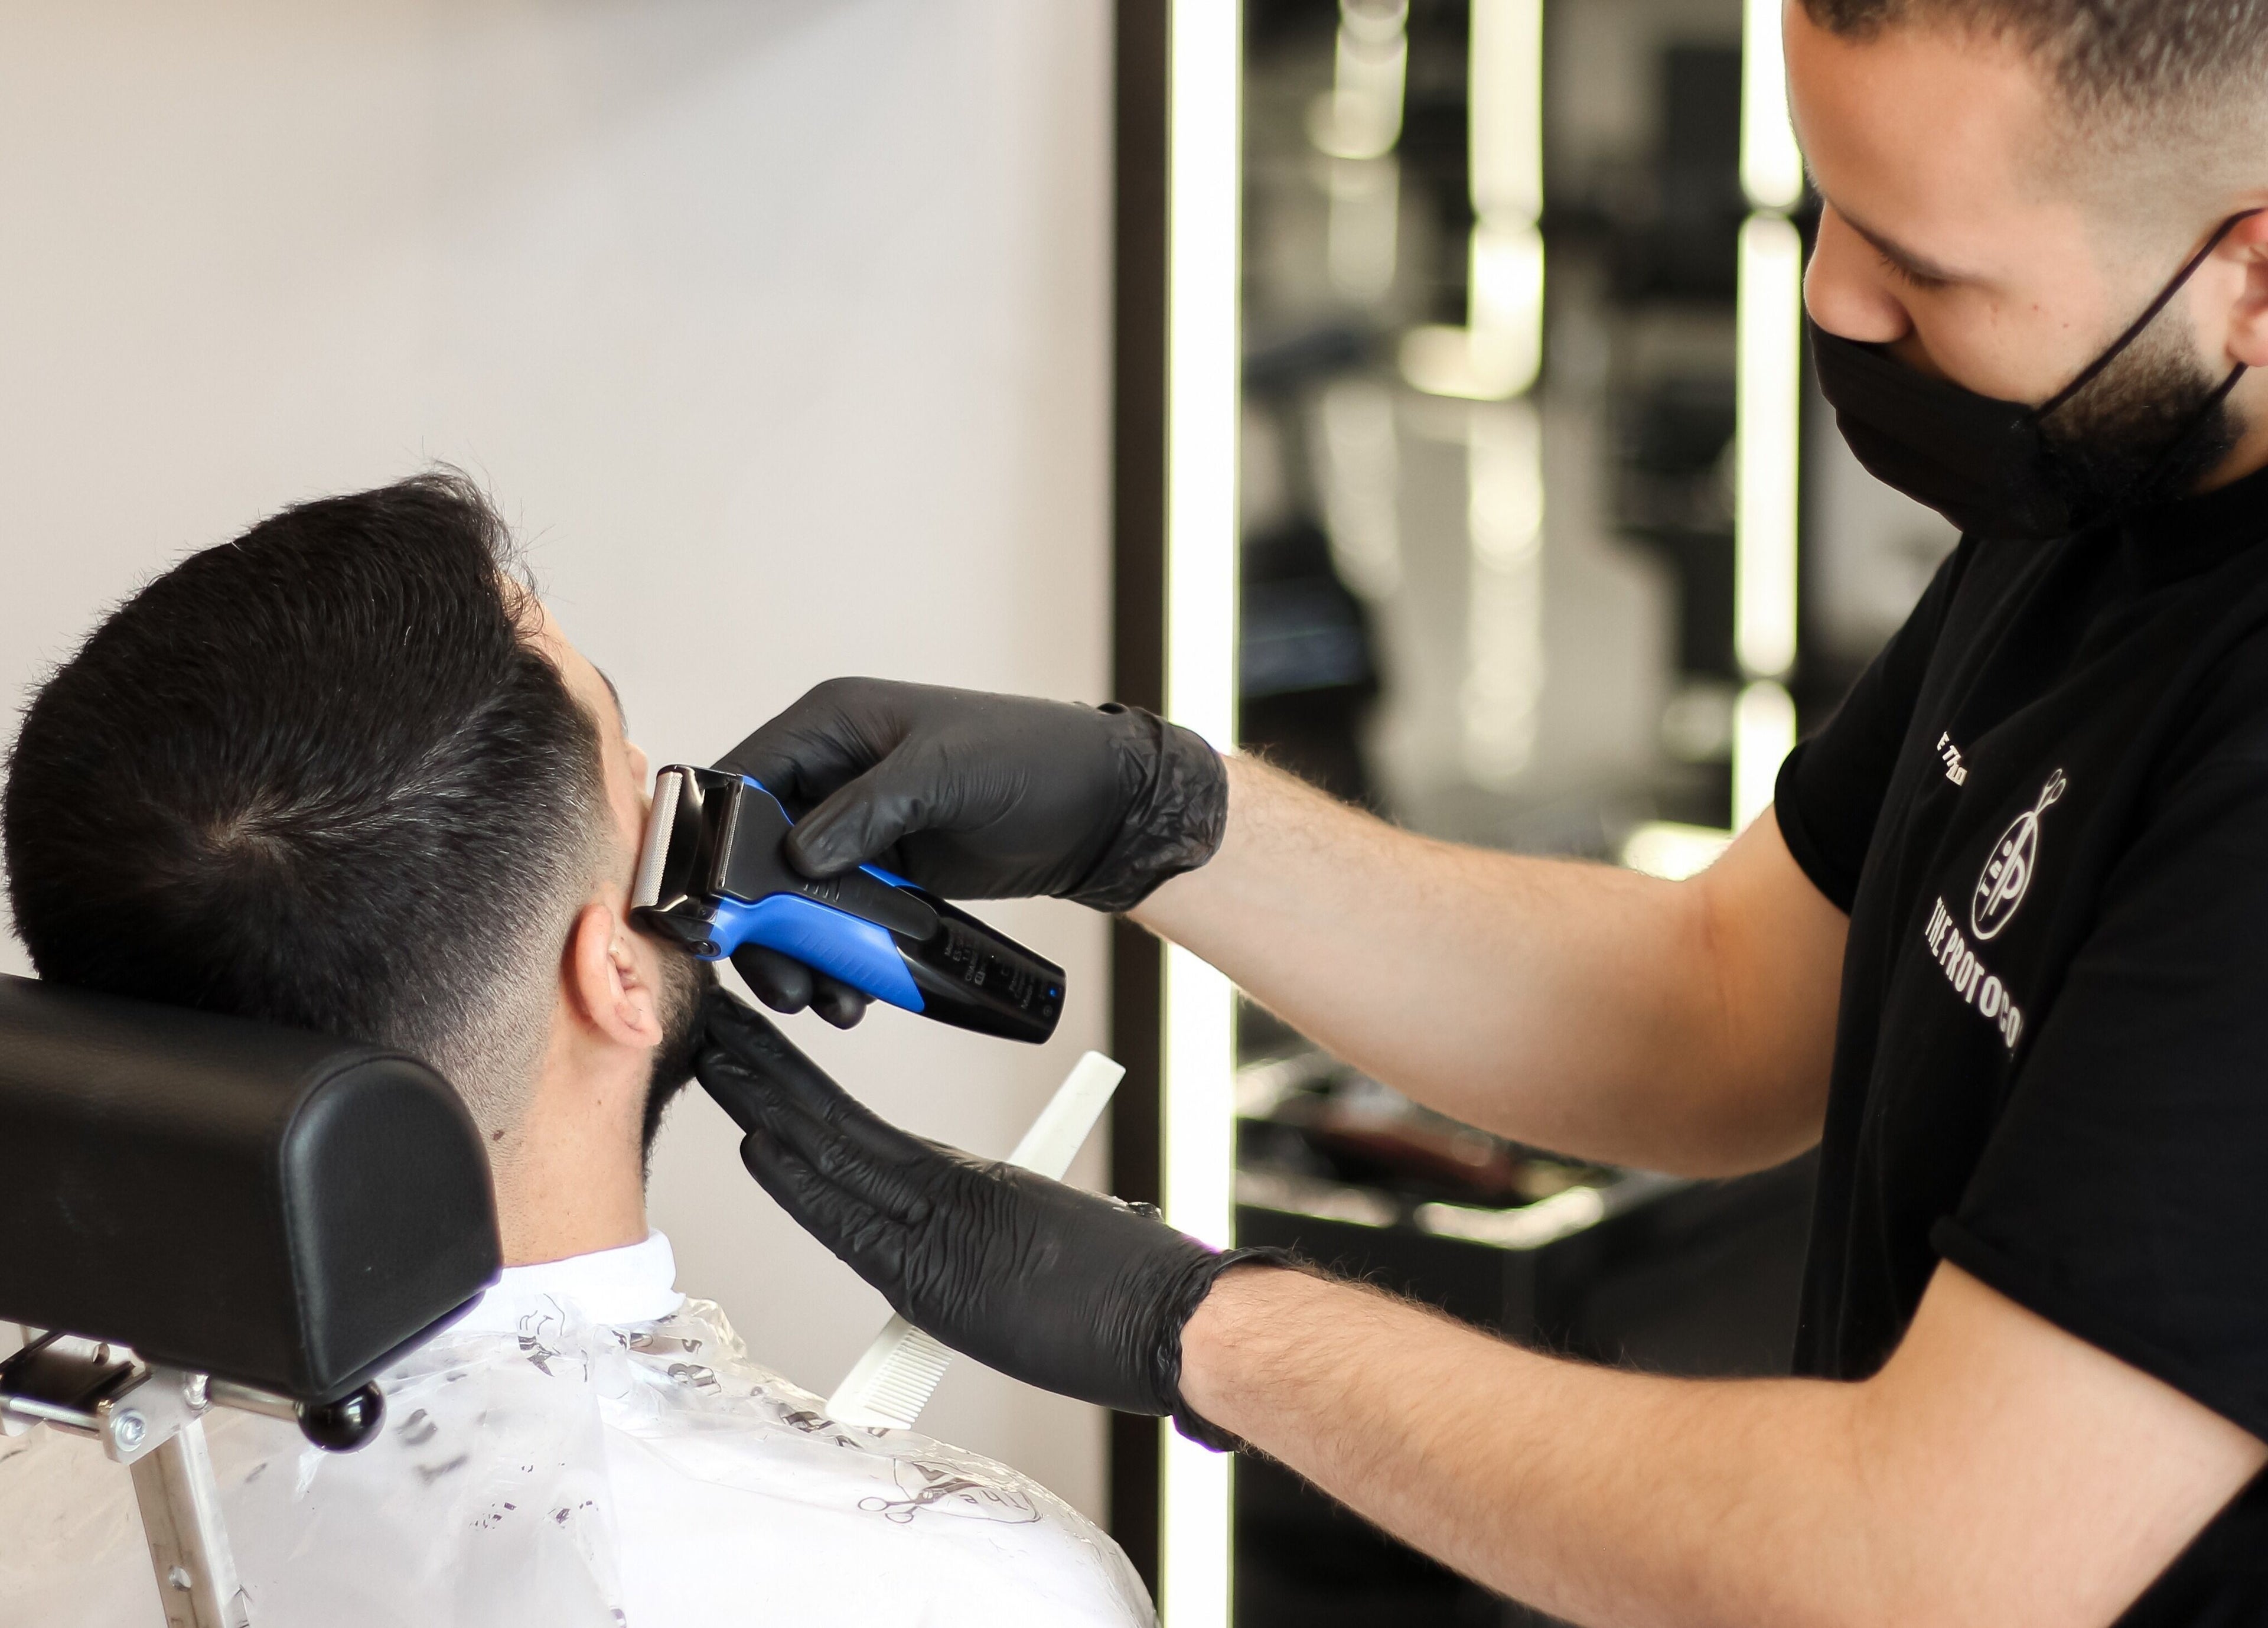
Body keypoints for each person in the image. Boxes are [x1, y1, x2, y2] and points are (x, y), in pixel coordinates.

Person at [696, 2, 2268, 1622]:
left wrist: (1196, 1327)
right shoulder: (2119, 469)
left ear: (2257, 272)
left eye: (1924, 270)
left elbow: (1922, 1572)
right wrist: (1152, 815)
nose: (1831, 298)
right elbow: (1719, 1004)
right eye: (1824, 205)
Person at [0, 474, 1149, 1628]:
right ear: (609, 973)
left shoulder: (41, 1495)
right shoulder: (979, 1588)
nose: (678, 791)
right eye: (634, 762)